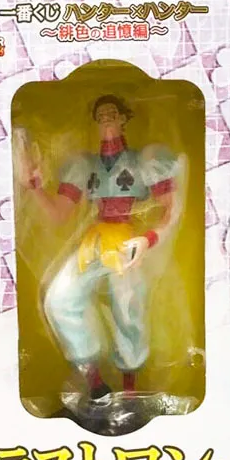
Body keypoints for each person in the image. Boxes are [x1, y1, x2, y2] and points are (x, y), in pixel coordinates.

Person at [16, 94, 181, 422]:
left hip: (127, 242)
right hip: (94, 240)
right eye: (100, 114)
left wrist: (148, 239)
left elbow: (170, 211)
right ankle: (95, 383)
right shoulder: (84, 166)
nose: (106, 119)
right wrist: (34, 187)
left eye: (112, 113)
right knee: (59, 299)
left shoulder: (144, 161)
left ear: (124, 118)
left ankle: (130, 394)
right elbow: (61, 213)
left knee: (129, 309)